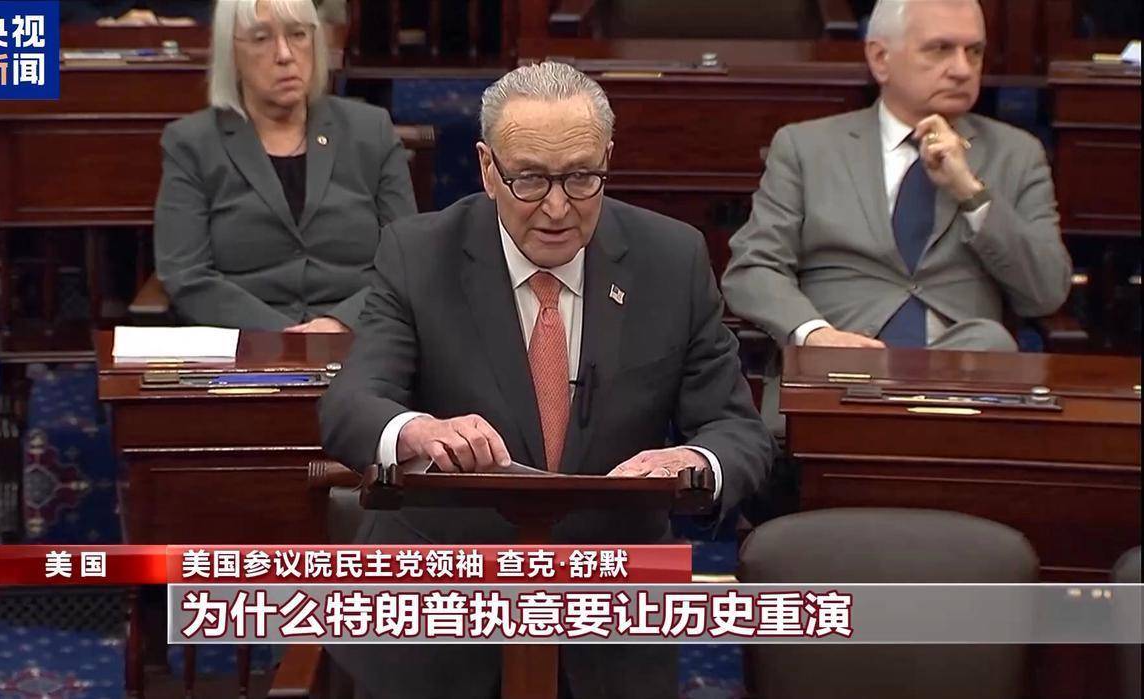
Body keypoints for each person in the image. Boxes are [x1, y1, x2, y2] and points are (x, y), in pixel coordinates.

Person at [318, 61, 773, 699]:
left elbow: (737, 430)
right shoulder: (418, 254)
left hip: (611, 615)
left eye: (581, 177)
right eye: (530, 179)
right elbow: (350, 404)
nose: (557, 208)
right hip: (444, 612)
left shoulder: (672, 259)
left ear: (607, 159)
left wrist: (694, 461)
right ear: (487, 168)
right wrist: (416, 431)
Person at [723, 0, 1071, 357]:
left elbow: (1046, 293)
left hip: (961, 370)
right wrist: (813, 334)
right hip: (843, 364)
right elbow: (754, 267)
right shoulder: (806, 148)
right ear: (880, 59)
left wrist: (970, 192)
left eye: (975, 52)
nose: (963, 69)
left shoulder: (1017, 154)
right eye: (940, 49)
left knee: (989, 342)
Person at [154, 0, 416, 332]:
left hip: (360, 335)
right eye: (261, 38)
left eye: (297, 35)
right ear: (231, 53)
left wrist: (340, 323)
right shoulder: (192, 143)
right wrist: (283, 337)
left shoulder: (370, 130)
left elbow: (407, 259)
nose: (285, 54)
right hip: (246, 340)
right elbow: (185, 273)